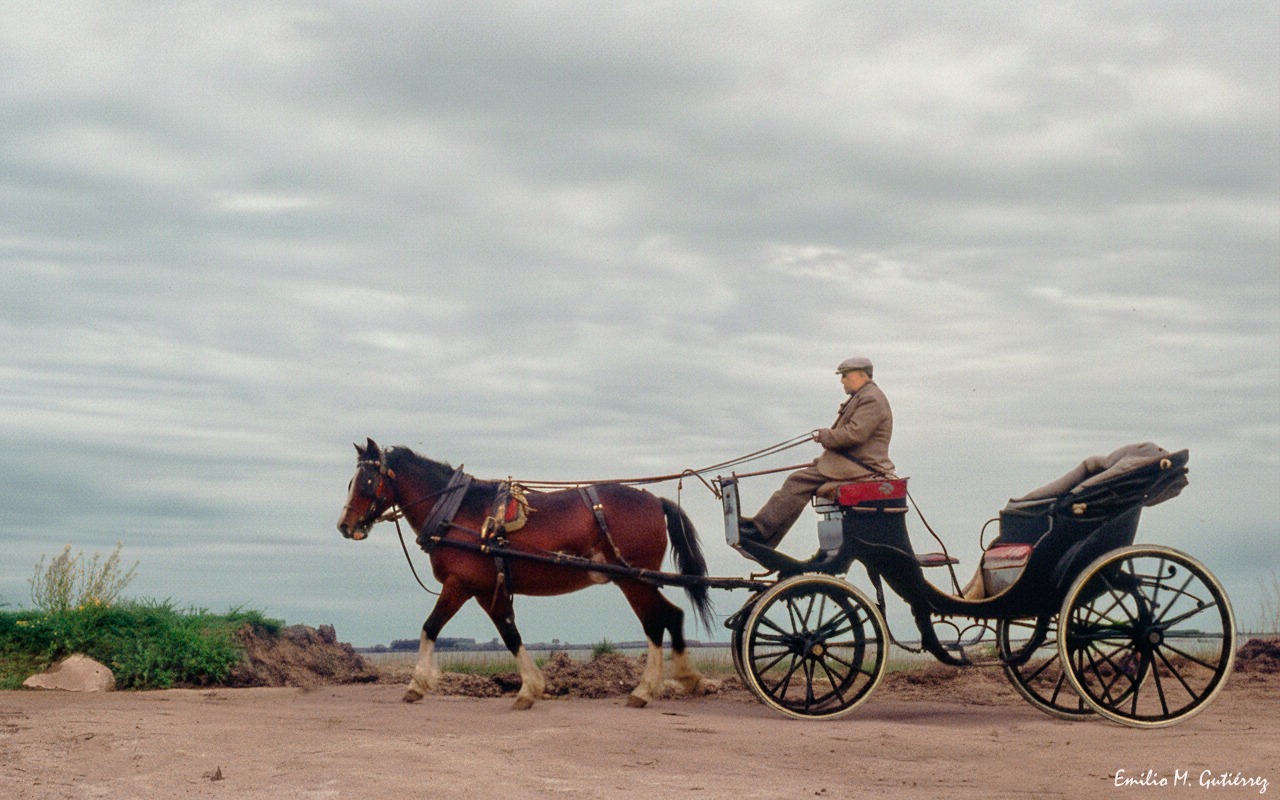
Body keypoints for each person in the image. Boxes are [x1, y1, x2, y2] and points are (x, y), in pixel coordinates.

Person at [742, 356, 896, 549]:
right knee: (800, 480)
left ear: (862, 375)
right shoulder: (863, 396)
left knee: (797, 481)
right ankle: (762, 532)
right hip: (850, 464)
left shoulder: (871, 398)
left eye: (845, 376)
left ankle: (761, 532)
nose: (842, 381)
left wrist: (825, 435)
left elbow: (854, 435)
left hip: (862, 466)